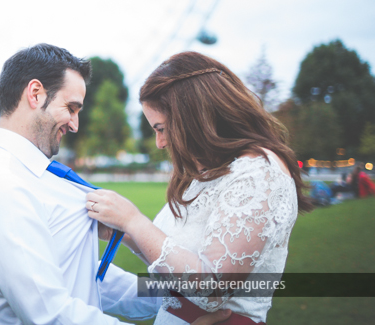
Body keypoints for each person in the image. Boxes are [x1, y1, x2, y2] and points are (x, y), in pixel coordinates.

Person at [0, 44, 231, 325]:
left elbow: (76, 274)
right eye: (71, 108)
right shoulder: (0, 186)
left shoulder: (34, 178)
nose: (75, 125)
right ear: (35, 94)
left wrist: (181, 295)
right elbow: (50, 313)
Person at [85, 52, 313, 325]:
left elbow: (211, 288)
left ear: (192, 118)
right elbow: (174, 269)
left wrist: (134, 222)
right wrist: (122, 233)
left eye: (162, 128)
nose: (159, 142)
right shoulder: (207, 171)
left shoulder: (259, 172)